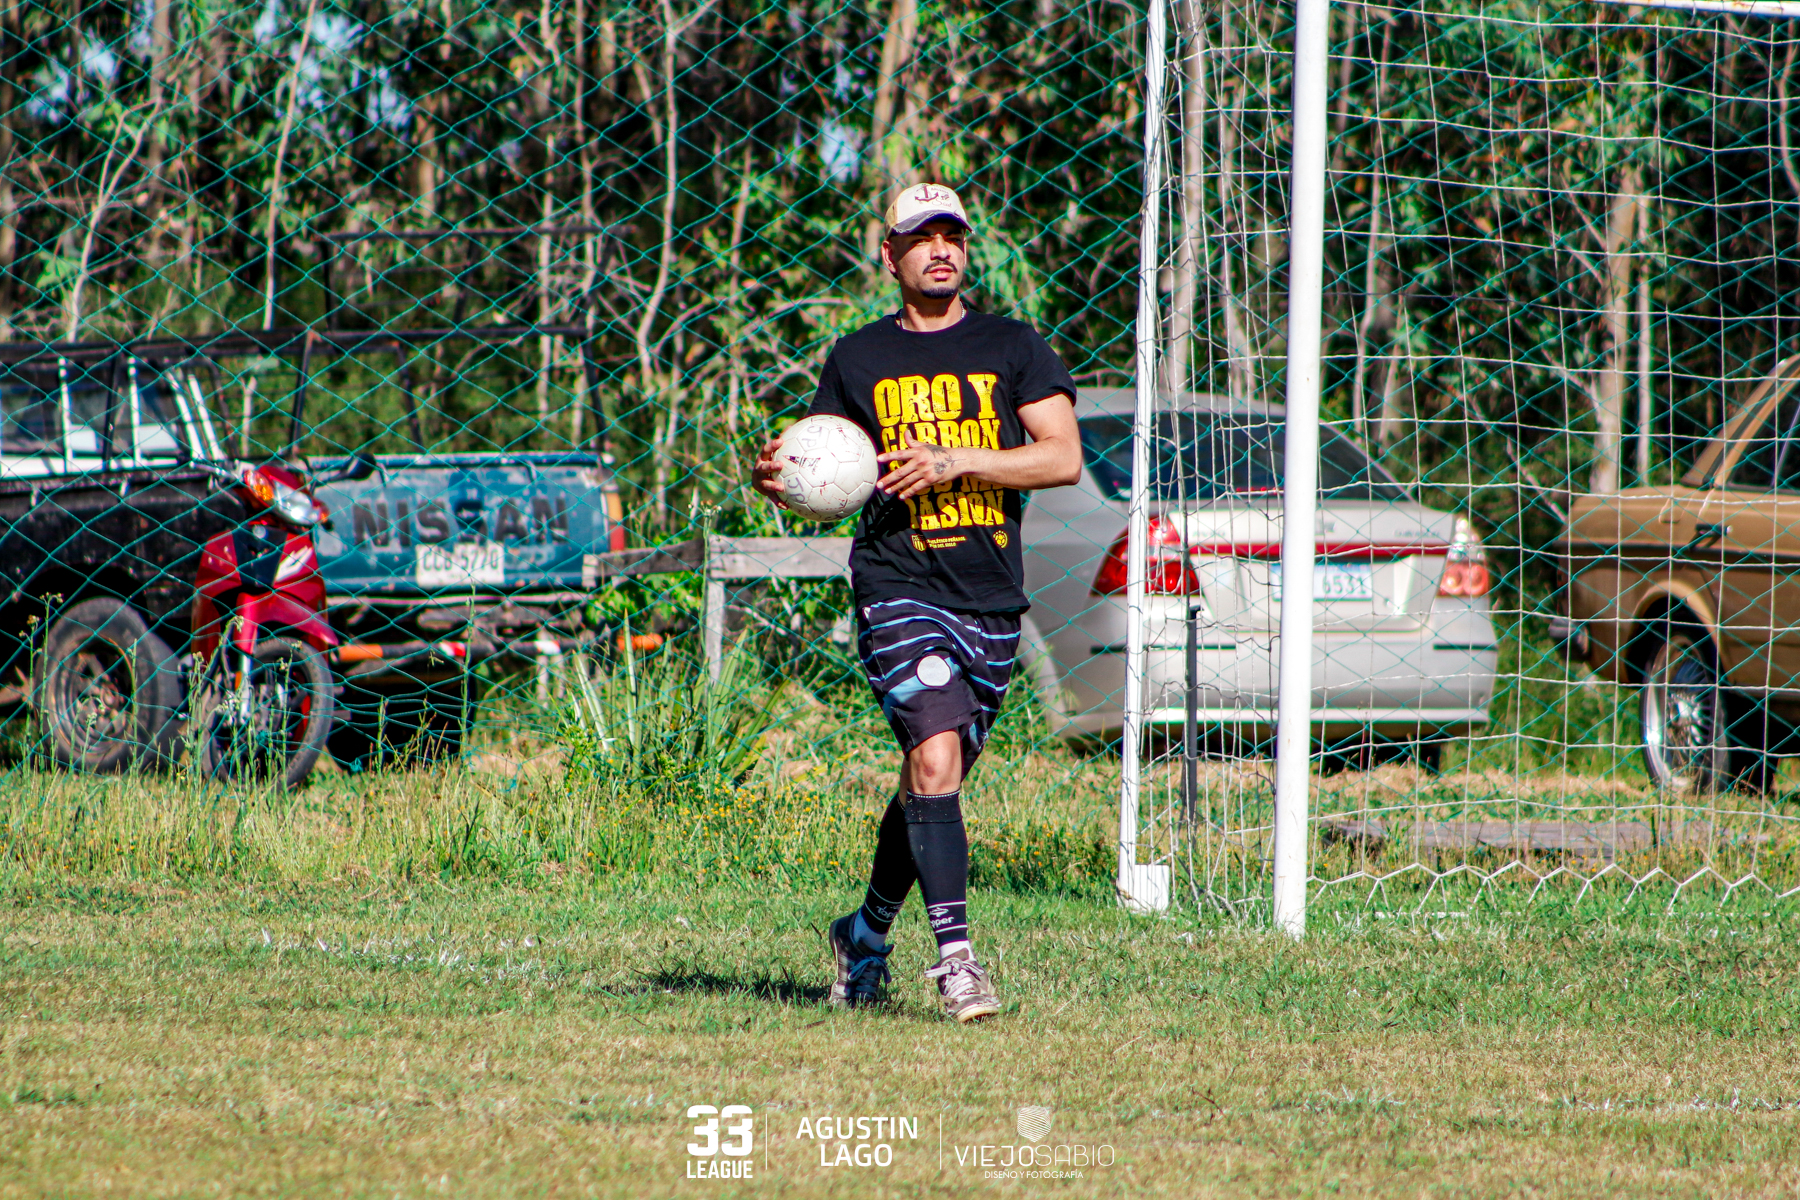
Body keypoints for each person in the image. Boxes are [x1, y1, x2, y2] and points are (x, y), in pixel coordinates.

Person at [753, 182, 1082, 1022]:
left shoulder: (1012, 345)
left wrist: (957, 459)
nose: (941, 250)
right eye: (922, 237)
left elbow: (1061, 458)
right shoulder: (857, 358)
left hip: (990, 597)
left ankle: (862, 936)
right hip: (897, 583)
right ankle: (958, 964)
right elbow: (826, 466)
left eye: (953, 236)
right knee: (935, 758)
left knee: (930, 781)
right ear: (890, 254)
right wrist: (780, 479)